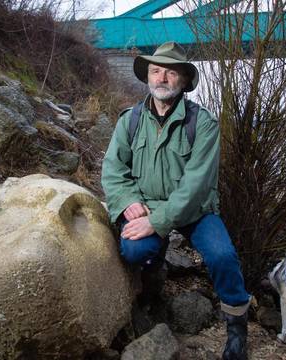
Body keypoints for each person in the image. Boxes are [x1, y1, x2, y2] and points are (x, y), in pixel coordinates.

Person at [101, 41, 251, 360]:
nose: (162, 79)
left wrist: (156, 221)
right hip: (147, 203)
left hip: (195, 210)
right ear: (148, 78)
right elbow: (113, 168)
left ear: (183, 81)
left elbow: (196, 186)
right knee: (134, 249)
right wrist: (127, 199)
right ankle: (153, 282)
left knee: (223, 256)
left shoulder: (203, 124)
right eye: (156, 71)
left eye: (170, 73)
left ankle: (238, 328)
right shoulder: (130, 120)